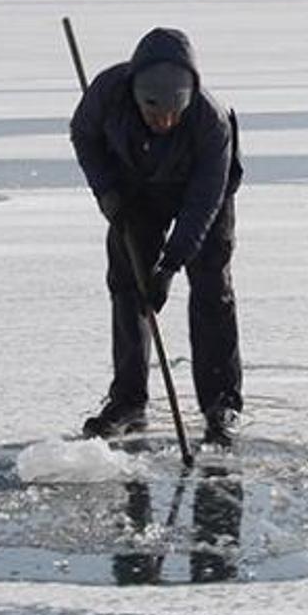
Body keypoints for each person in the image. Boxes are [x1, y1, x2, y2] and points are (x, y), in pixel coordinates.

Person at [70, 26, 243, 447]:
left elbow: (204, 201)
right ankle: (128, 401)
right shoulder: (107, 94)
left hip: (204, 197)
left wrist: (169, 264)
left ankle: (221, 404)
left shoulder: (211, 123)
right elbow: (84, 136)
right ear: (136, 96)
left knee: (210, 290)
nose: (163, 122)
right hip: (135, 191)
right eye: (152, 113)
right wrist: (107, 191)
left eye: (171, 114)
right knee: (128, 287)